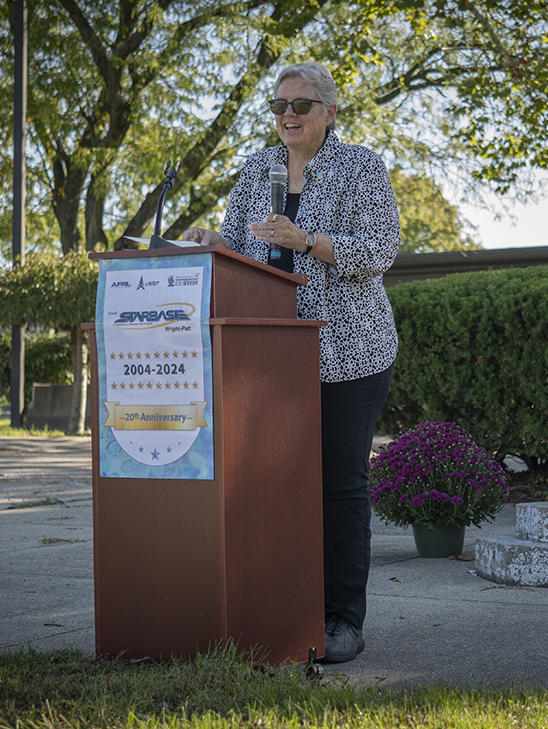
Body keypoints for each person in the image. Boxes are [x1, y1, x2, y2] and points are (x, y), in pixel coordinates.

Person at [184, 62, 399, 664]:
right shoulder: (257, 167)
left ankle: (341, 621)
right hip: (268, 354)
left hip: (349, 350)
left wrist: (309, 241)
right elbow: (243, 250)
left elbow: (380, 251)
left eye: (301, 106)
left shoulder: (361, 166)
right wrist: (215, 245)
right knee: (271, 487)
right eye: (279, 105)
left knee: (338, 485)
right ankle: (279, 609)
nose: (287, 115)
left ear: (330, 113)